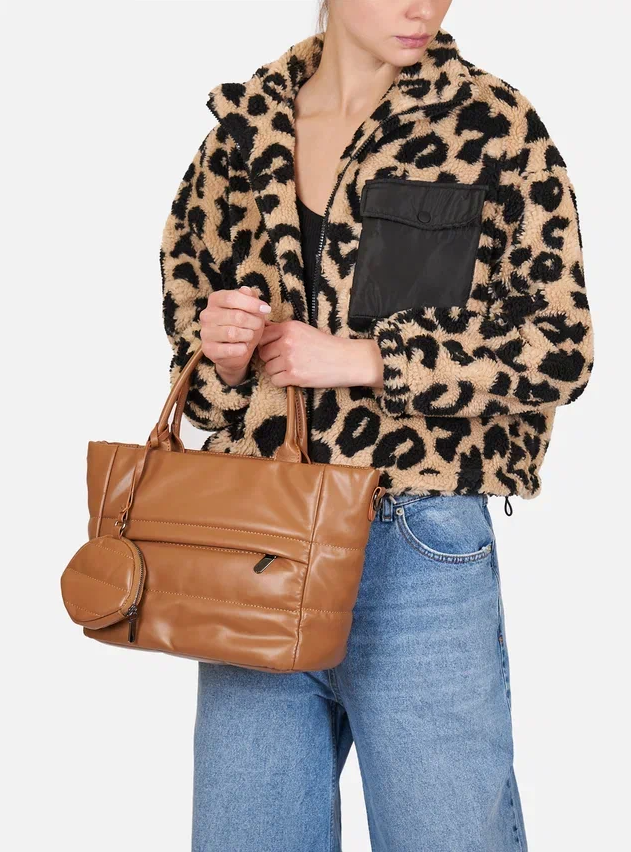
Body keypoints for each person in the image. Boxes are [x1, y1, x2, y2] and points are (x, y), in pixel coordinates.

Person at [160, 1, 594, 849]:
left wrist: (371, 360)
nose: (421, 4)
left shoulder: (492, 124)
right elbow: (196, 372)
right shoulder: (239, 137)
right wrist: (222, 353)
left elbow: (559, 348)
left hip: (416, 542)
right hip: (255, 544)